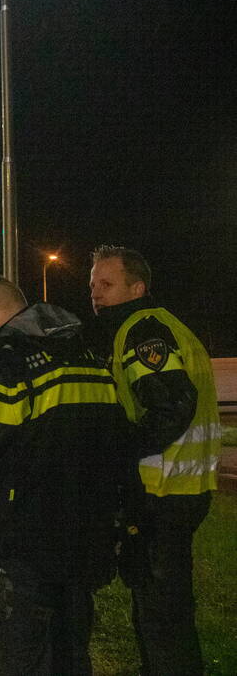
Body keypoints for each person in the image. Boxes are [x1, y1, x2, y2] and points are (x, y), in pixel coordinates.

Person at [0, 275, 126, 675]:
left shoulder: (11, 360)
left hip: (27, 545)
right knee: (72, 654)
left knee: (24, 659)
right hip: (85, 536)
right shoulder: (88, 356)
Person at [90, 245, 220, 676]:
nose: (95, 293)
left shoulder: (141, 330)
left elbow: (171, 406)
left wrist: (118, 451)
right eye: (92, 285)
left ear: (137, 287)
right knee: (163, 609)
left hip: (161, 493)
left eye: (107, 284)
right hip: (183, 489)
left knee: (161, 615)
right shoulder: (167, 325)